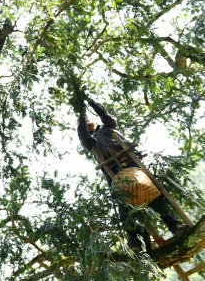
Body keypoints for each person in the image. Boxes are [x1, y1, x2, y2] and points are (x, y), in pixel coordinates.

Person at [77, 99, 181, 252]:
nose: (86, 120)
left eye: (87, 118)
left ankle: (175, 226)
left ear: (94, 121)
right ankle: (134, 243)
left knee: (155, 195)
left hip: (132, 165)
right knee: (124, 208)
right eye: (84, 121)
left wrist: (91, 102)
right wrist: (81, 114)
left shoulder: (109, 127)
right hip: (114, 174)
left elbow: (104, 114)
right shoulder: (90, 142)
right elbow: (82, 134)